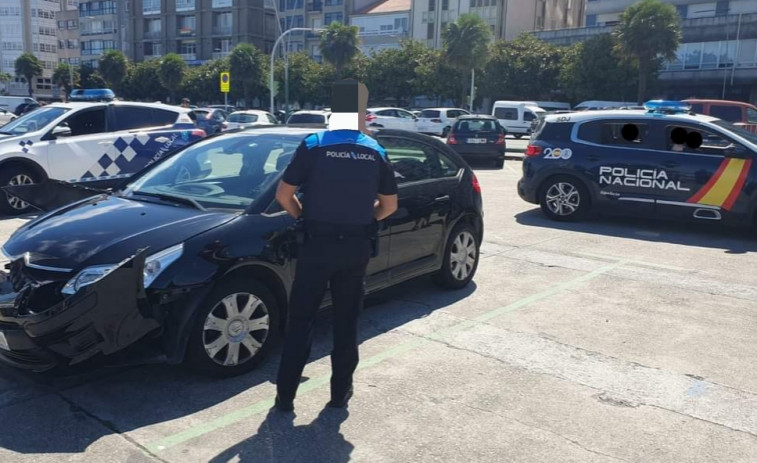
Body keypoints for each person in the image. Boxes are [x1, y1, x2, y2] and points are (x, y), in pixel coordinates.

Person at [274, 79, 398, 412]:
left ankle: (285, 397)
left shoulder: (313, 145)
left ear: (333, 111)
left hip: (315, 245)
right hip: (354, 249)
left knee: (301, 322)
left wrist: (303, 216)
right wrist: (366, 218)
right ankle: (339, 395)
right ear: (361, 113)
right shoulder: (375, 150)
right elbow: (389, 205)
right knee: (346, 324)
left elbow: (284, 196)